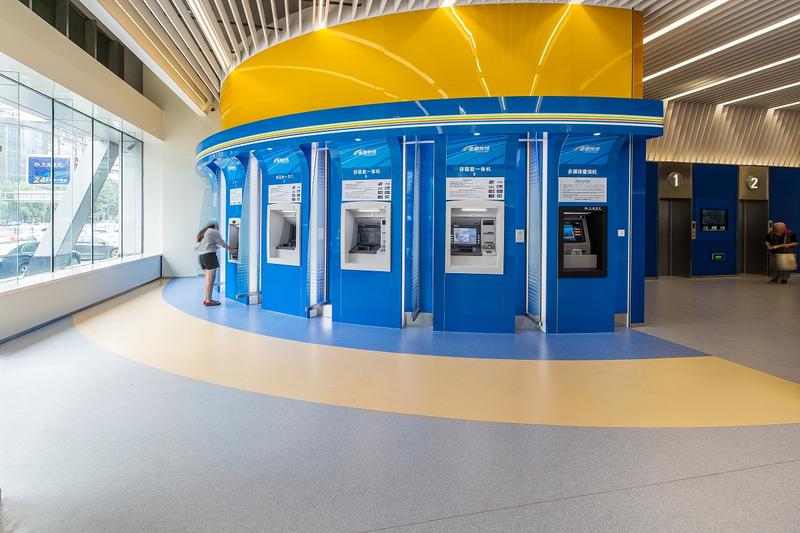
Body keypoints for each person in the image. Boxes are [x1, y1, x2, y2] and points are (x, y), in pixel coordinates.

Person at [196, 222, 234, 306]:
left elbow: (198, 246)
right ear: (216, 227)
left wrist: (214, 246)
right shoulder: (213, 231)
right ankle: (208, 301)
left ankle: (206, 299)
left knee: (207, 280)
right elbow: (222, 243)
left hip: (201, 257)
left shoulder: (204, 232)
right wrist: (232, 249)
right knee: (210, 280)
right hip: (209, 257)